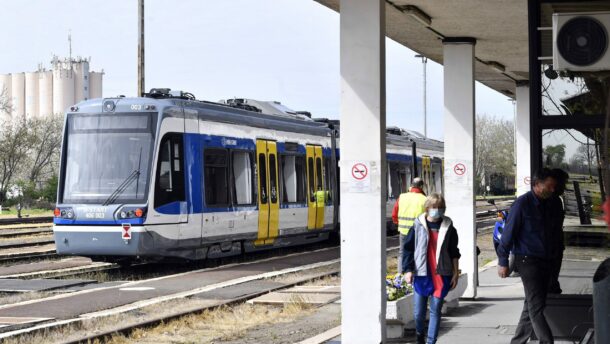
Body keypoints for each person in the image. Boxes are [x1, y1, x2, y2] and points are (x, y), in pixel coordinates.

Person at [497, 168, 560, 344]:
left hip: (545, 261)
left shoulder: (551, 204)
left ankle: (517, 341)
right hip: (527, 261)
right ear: (537, 185)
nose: (553, 190)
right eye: (549, 186)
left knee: (531, 305)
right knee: (536, 307)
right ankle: (547, 341)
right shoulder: (522, 204)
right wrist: (503, 262)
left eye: (554, 187)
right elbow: (507, 235)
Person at [402, 193, 461, 344]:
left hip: (441, 274)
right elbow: (408, 249)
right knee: (418, 314)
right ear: (427, 208)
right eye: (435, 207)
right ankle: (420, 335)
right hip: (422, 274)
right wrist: (408, 270)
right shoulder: (417, 226)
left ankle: (431, 341)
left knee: (435, 311)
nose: (438, 210)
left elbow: (454, 252)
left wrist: (455, 273)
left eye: (441, 207)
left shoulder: (449, 228)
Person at [392, 177, 427, 273]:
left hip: (403, 231)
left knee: (402, 252)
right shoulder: (425, 199)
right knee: (418, 253)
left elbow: (394, 214)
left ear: (411, 185)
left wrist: (399, 224)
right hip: (419, 232)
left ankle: (401, 275)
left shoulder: (402, 197)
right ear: (421, 186)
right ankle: (415, 274)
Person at [548, 168, 568, 294]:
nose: (565, 187)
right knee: (550, 281)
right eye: (563, 183)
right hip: (551, 249)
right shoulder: (552, 201)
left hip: (555, 246)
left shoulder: (556, 200)